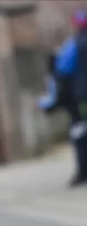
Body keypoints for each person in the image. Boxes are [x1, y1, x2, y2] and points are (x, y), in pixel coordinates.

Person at [53, 9, 87, 186]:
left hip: (83, 97)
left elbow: (63, 70)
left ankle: (83, 172)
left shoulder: (73, 45)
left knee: (80, 132)